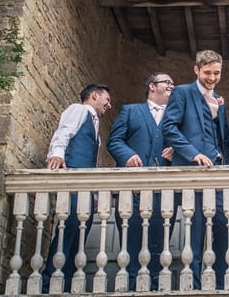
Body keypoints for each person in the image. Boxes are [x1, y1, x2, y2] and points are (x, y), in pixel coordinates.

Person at [161, 50, 229, 290]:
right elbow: (168, 127)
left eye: (217, 73)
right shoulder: (182, 93)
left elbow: (222, 138)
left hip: (219, 174)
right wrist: (192, 153)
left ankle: (222, 283)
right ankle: (193, 285)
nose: (212, 77)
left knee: (223, 228)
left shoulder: (219, 99)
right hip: (193, 173)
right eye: (207, 72)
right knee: (196, 231)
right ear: (196, 70)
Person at [107, 72, 175, 290]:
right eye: (167, 82)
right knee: (130, 238)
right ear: (152, 86)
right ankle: (129, 284)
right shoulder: (130, 110)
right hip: (132, 188)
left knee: (160, 240)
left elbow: (186, 142)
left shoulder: (176, 115)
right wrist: (127, 155)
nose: (172, 86)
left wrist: (177, 150)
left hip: (164, 190)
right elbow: (114, 140)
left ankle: (156, 284)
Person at [42, 84, 112, 293]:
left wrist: (96, 193)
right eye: (106, 100)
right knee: (68, 227)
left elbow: (93, 163)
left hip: (87, 188)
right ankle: (49, 282)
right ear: (94, 95)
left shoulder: (96, 125)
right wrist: (56, 154)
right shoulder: (79, 110)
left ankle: (68, 281)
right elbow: (64, 132)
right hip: (73, 181)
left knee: (81, 232)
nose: (109, 105)